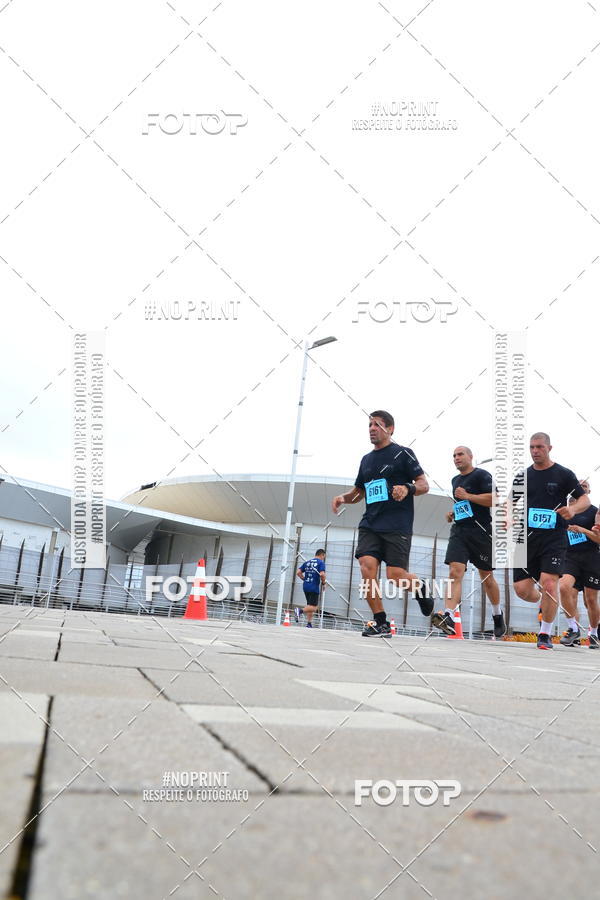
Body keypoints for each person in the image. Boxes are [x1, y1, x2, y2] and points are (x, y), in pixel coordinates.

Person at [332, 410, 431, 638]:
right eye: (369, 425)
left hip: (397, 524)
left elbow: (424, 485)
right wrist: (343, 498)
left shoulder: (404, 454)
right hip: (370, 524)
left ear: (390, 429)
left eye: (377, 424)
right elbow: (358, 493)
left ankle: (419, 587)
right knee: (366, 566)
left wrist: (408, 488)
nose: (372, 429)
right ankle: (381, 622)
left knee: (395, 576)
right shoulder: (366, 460)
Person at [511, 433, 590, 650]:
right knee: (521, 590)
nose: (535, 451)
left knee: (549, 583)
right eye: (531, 447)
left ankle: (544, 633)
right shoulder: (522, 476)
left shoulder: (563, 474)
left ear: (549, 448)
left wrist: (572, 508)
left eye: (539, 447)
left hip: (553, 537)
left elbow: (584, 499)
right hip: (524, 537)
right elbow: (509, 502)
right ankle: (544, 601)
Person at [432, 446, 505, 637]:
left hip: (481, 532)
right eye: (454, 455)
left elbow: (496, 499)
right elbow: (464, 505)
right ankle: (448, 614)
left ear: (470, 457)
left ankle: (497, 614)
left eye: (460, 454)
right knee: (455, 572)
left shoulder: (482, 475)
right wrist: (453, 513)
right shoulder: (455, 480)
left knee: (487, 577)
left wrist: (468, 496)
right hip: (460, 531)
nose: (456, 458)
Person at [560, 481, 600, 648]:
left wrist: (582, 530)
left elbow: (598, 539)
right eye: (579, 486)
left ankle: (594, 633)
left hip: (591, 557)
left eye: (585, 486)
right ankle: (573, 629)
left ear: (588, 491)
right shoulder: (565, 510)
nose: (582, 488)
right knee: (565, 588)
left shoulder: (594, 512)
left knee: (590, 600)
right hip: (570, 557)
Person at [296, 550, 326, 628]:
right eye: (324, 557)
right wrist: (323, 583)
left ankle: (309, 624)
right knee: (314, 607)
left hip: (306, 586)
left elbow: (298, 572)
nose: (323, 558)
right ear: (322, 555)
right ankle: (299, 611)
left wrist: (303, 579)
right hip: (314, 587)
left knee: (310, 605)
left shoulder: (307, 562)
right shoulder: (321, 563)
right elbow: (322, 574)